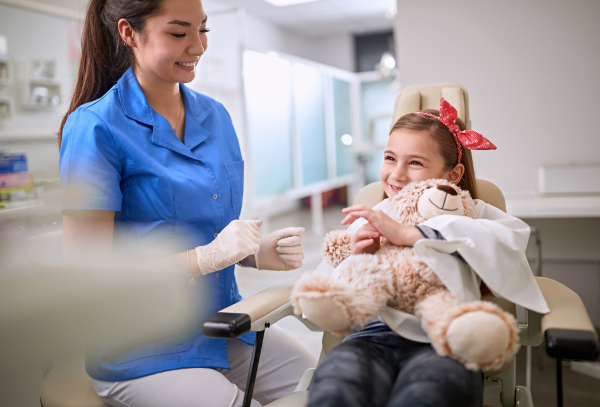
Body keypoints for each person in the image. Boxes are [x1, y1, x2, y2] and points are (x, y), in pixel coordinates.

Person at [58, 0, 316, 406]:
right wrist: (205, 257)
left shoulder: (215, 117)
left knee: (323, 387)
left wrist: (254, 254)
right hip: (140, 347)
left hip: (219, 325)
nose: (197, 46)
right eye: (178, 33)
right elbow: (91, 276)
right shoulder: (95, 127)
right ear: (129, 34)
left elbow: (203, 229)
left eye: (204, 30)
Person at [306, 98, 547, 407]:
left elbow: (510, 240)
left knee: (426, 397)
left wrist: (413, 234)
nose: (396, 174)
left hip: (444, 341)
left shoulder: (474, 213)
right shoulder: (375, 213)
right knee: (336, 391)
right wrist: (355, 254)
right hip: (370, 337)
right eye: (390, 158)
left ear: (452, 175)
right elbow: (330, 286)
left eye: (415, 162)